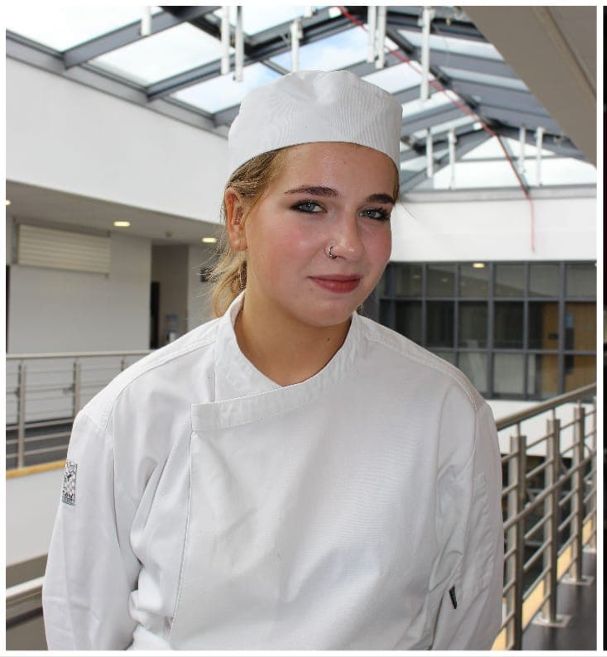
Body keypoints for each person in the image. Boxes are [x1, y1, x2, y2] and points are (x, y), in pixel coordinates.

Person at [41, 70, 503, 650]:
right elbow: (81, 627)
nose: (350, 245)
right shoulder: (132, 412)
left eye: (375, 213)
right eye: (312, 205)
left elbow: (468, 617)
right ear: (238, 218)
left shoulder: (443, 408)